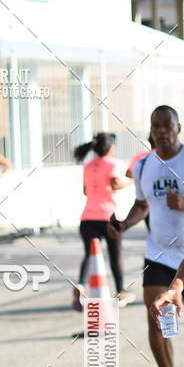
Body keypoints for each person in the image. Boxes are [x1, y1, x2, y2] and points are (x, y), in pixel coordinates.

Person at [108, 105, 184, 367]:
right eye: (156, 126)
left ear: (178, 127)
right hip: (158, 253)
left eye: (167, 125)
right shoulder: (144, 167)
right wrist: (124, 224)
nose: (162, 131)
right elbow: (142, 205)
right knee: (157, 319)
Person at [72, 132, 132, 312]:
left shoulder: (88, 165)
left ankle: (81, 286)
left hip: (87, 218)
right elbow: (114, 184)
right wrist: (130, 181)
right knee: (115, 255)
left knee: (90, 255)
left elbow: (85, 191)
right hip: (108, 217)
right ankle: (121, 291)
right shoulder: (113, 163)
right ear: (111, 147)